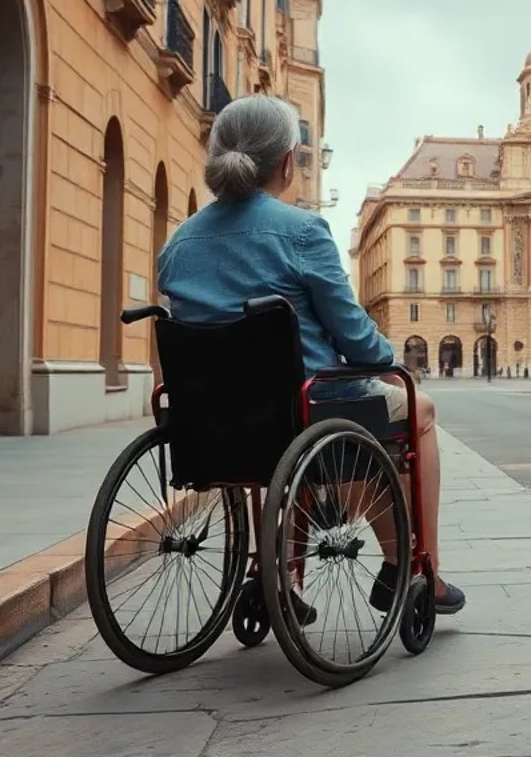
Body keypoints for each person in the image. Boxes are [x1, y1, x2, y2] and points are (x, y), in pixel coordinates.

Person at [157, 95, 465, 620]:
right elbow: (355, 338)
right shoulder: (301, 232)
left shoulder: (180, 242)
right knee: (418, 410)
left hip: (207, 421)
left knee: (287, 425)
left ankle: (277, 575)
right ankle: (418, 568)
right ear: (285, 163)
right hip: (307, 409)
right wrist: (387, 356)